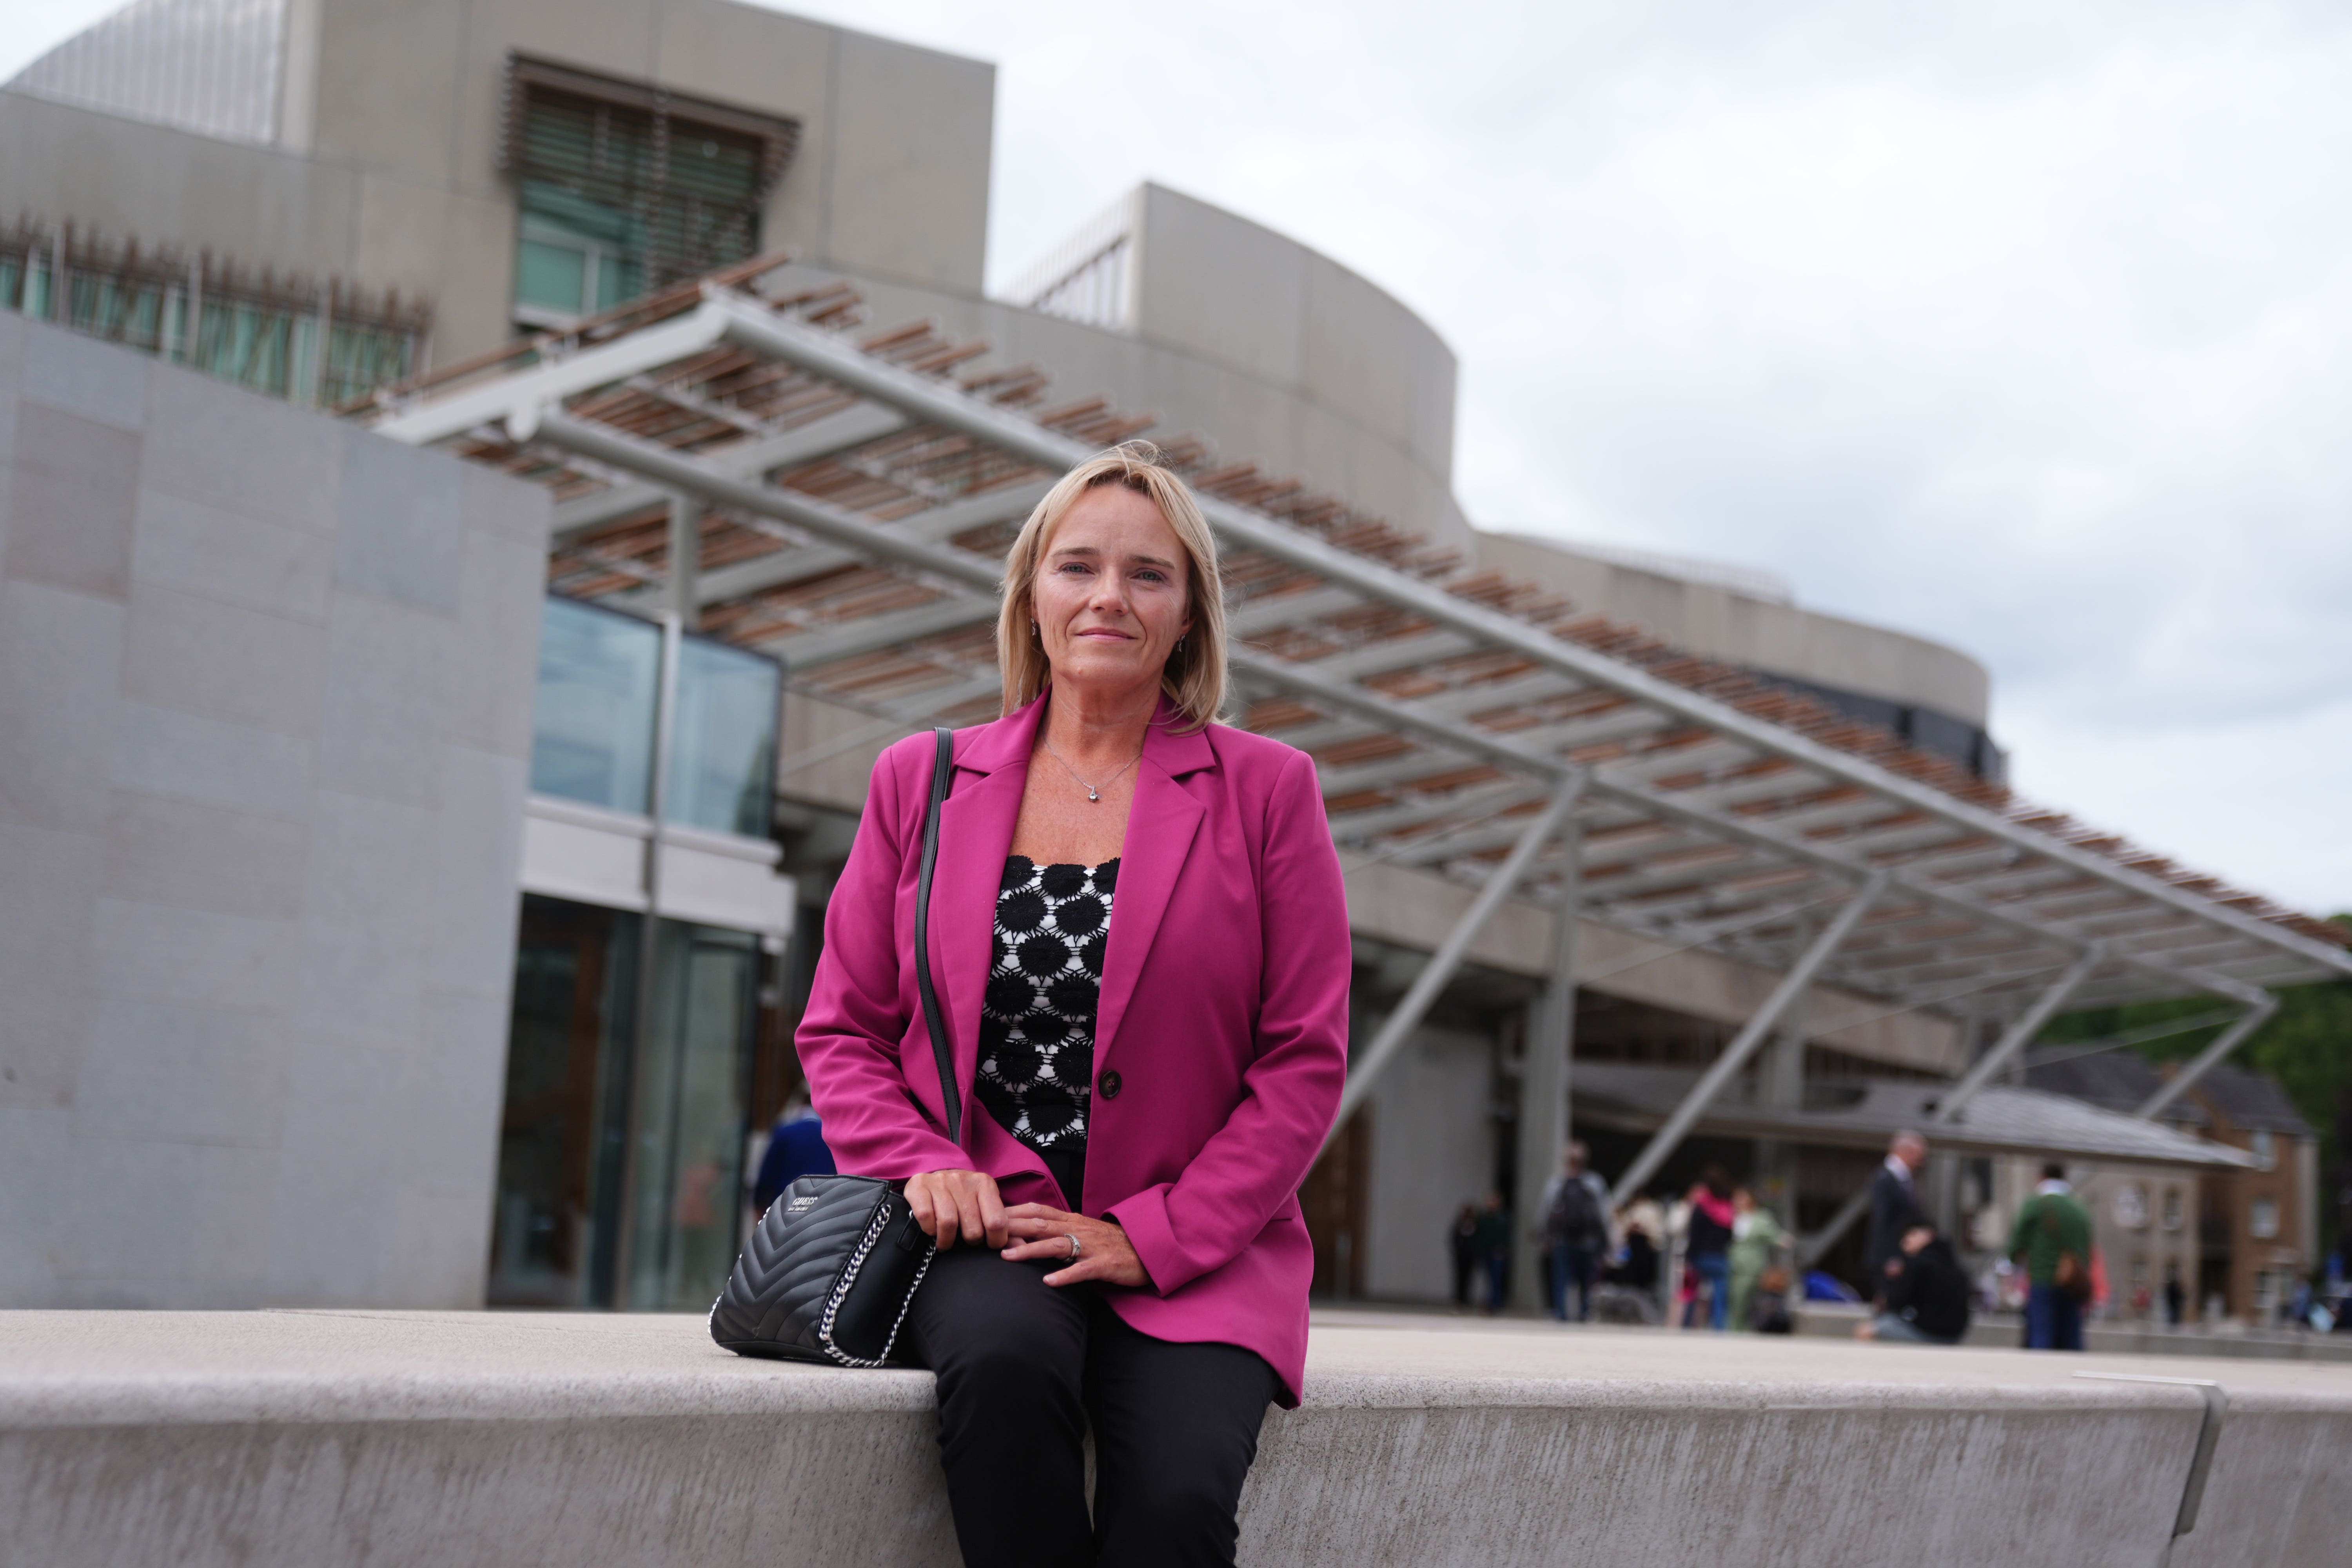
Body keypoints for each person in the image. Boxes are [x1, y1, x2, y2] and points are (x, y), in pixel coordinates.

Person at [797, 442, 1352, 1568]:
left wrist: (1157, 1236)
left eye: (1148, 575)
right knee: (1002, 1377)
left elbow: (1304, 1061)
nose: (1110, 597)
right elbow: (843, 1025)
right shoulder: (925, 778)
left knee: (1176, 1510)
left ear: (1188, 615)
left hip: (1196, 1253)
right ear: (1032, 596)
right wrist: (920, 1161)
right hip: (983, 1229)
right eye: (1079, 567)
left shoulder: (1267, 792)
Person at [2008, 1161, 2094, 1352]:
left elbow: (2018, 1241)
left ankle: (2042, 1379)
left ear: (2042, 1177)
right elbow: (2088, 1246)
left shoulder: (2036, 1204)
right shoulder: (2079, 1207)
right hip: (2073, 1281)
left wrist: (2011, 1267)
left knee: (2041, 1335)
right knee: (2072, 1337)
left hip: (2043, 1277)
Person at [1857, 1225, 1971, 1345]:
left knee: (1870, 1329)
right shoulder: (1955, 1266)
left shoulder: (1919, 1263)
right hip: (1955, 1337)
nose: (1904, 1243)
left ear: (1928, 1235)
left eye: (1910, 1236)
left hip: (1930, 1334)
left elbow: (1897, 1302)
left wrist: (1892, 1281)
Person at [1542, 1142, 1611, 1323]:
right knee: (1586, 1281)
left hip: (1563, 1240)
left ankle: (1561, 1314)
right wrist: (1607, 1242)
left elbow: (1545, 1211)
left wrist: (1545, 1237)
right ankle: (1584, 1314)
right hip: (1588, 1241)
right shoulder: (1595, 1183)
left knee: (1561, 1280)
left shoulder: (1557, 1183)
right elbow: (1605, 1215)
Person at [1865, 1130, 1931, 1288]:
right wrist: (1890, 1258)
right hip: (1891, 1260)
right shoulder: (1885, 1180)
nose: (1921, 1162)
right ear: (1906, 1151)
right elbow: (1883, 1221)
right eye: (1918, 1155)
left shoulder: (1903, 1180)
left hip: (1902, 1258)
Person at [750, 1095, 835, 1217]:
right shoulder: (830, 1137)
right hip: (822, 1208)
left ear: (800, 1105)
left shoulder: (785, 1132)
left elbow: (766, 1175)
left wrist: (758, 1205)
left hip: (785, 1207)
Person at [1726, 1187, 1787, 1333]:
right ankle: (1735, 1328)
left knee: (1749, 1298)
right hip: (1734, 1262)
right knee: (1735, 1298)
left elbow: (1773, 1235)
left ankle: (1747, 1328)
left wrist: (1783, 1240)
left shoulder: (1761, 1218)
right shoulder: (1731, 1216)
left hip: (1753, 1264)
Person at [1683, 1166, 1735, 1331]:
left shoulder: (1702, 1206)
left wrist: (1689, 1256)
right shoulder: (1727, 1207)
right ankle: (1719, 1327)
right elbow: (1730, 1235)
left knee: (1692, 1291)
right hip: (1719, 1256)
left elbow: (1694, 1233)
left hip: (1700, 1255)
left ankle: (1687, 1325)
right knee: (1719, 1294)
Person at [1472, 1190, 1512, 1313]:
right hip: (1485, 1251)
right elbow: (1478, 1234)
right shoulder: (1483, 1218)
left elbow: (1506, 1236)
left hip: (1498, 1252)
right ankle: (1488, 1302)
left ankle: (1495, 1304)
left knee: (1496, 1278)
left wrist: (1503, 1249)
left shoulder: (1503, 1218)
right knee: (1487, 1278)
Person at [1449, 1203, 1479, 1310]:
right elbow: (1454, 1238)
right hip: (1460, 1256)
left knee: (1469, 1279)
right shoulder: (1459, 1223)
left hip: (1471, 1256)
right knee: (1459, 1279)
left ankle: (1466, 1301)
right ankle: (1458, 1300)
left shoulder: (1476, 1224)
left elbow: (1478, 1239)